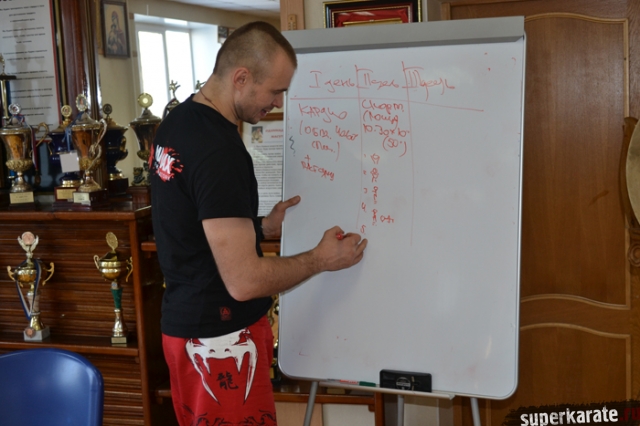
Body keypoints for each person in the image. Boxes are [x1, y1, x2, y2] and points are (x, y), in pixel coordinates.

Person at [149, 21, 367, 426]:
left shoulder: (177, 123)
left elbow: (193, 224)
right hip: (221, 343)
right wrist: (320, 259)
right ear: (242, 78)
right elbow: (244, 281)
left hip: (188, 331)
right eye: (275, 91)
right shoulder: (219, 150)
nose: (278, 102)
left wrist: (261, 227)